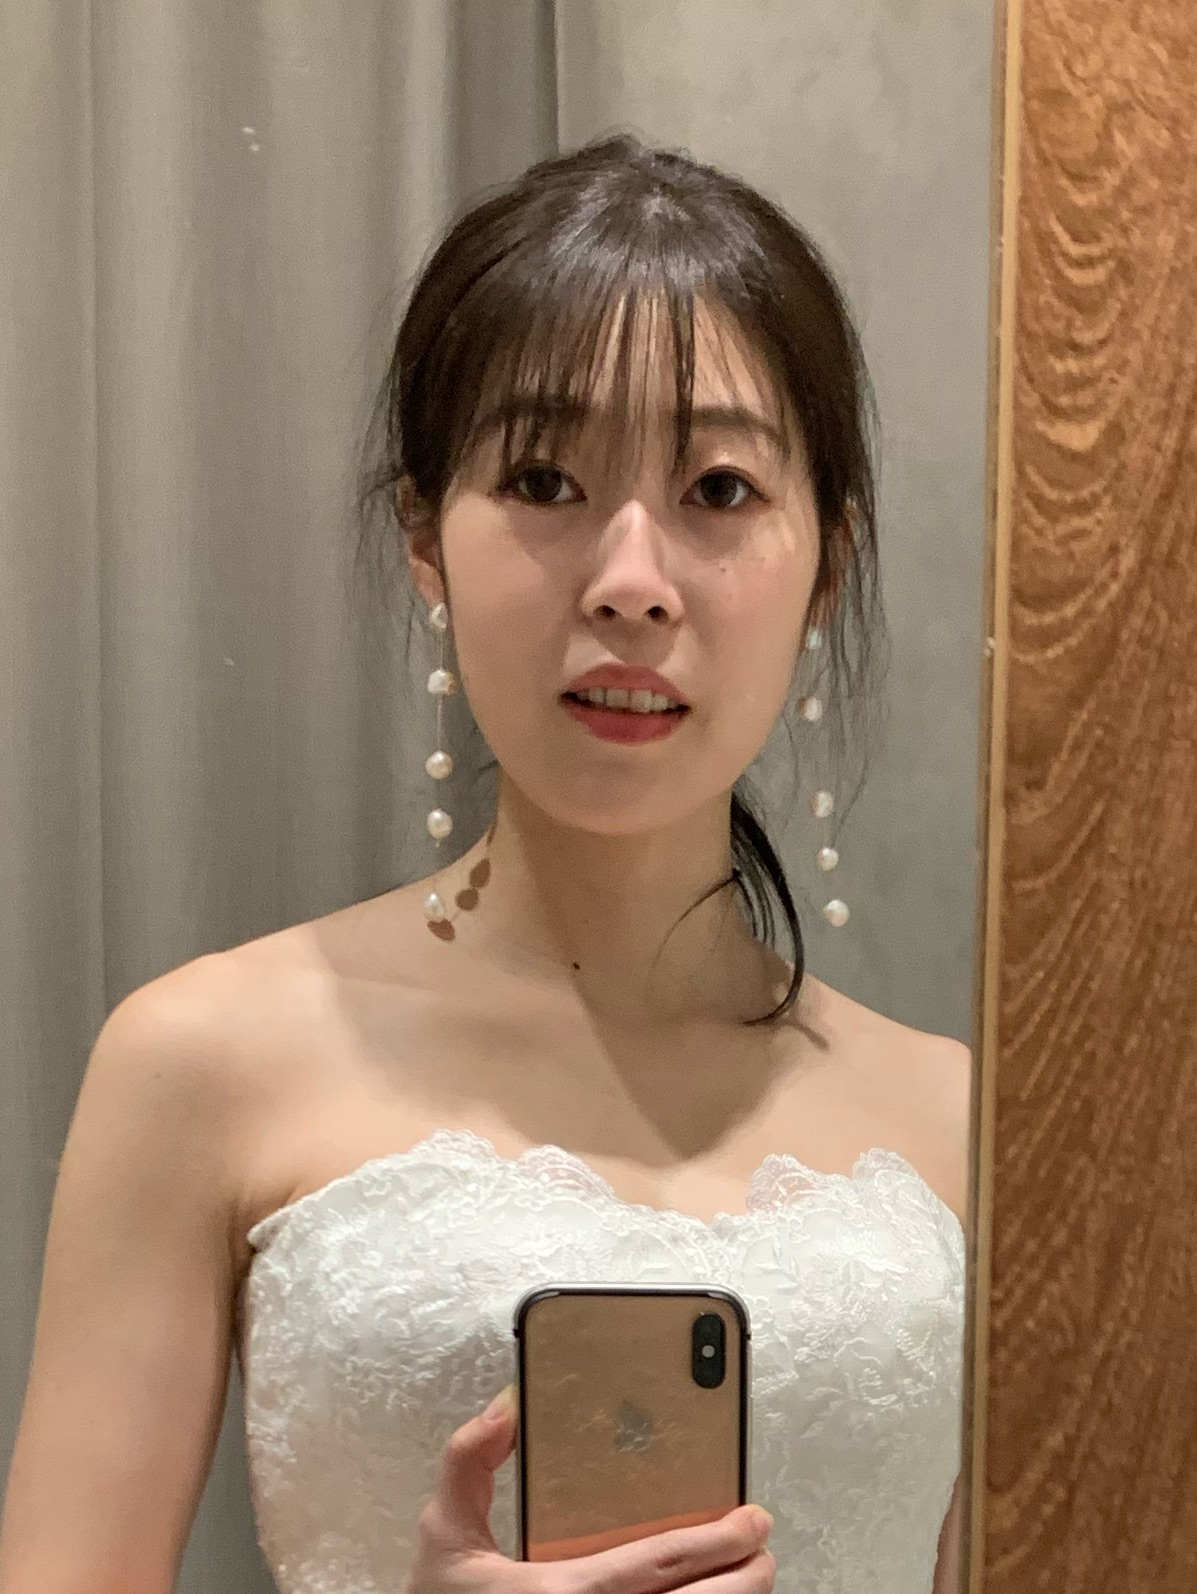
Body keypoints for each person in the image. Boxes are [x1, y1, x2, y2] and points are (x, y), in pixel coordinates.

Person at [0, 135, 970, 1594]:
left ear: (825, 561)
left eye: (717, 489)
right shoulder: (202, 1062)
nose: (631, 579)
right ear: (423, 538)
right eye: (543, 476)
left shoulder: (965, 1127)